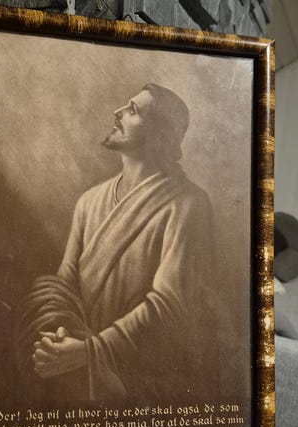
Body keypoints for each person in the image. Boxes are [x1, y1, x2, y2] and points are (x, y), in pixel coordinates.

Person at [16, 83, 227, 404]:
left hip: (141, 374)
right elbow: (65, 284)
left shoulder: (188, 204)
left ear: (160, 135)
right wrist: (60, 337)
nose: (118, 113)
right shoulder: (89, 201)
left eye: (132, 110)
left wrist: (91, 351)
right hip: (76, 357)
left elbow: (169, 304)